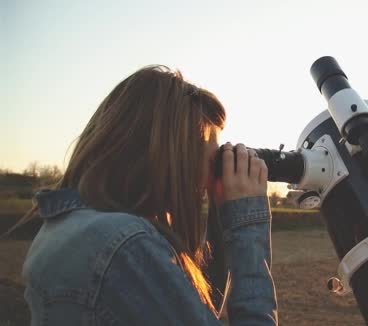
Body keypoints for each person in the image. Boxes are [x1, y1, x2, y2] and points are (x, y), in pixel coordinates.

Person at [18, 65, 278, 325]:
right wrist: (247, 221)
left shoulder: (68, 226)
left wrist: (221, 216)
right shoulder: (125, 245)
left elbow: (199, 309)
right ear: (175, 160)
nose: (207, 181)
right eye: (211, 162)